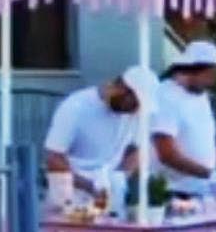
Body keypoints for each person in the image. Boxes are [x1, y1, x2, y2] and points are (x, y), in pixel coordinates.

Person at [43, 66, 156, 200]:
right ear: (122, 89)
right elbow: (54, 158)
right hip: (72, 190)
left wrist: (119, 179)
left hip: (111, 190)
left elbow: (137, 150)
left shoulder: (134, 114)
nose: (135, 110)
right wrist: (91, 187)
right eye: (134, 104)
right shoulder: (75, 106)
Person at [151, 41, 216, 199]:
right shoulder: (166, 96)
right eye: (210, 75)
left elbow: (207, 132)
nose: (214, 81)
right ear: (193, 69)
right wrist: (209, 174)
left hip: (203, 190)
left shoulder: (201, 94)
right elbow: (166, 153)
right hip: (175, 191)